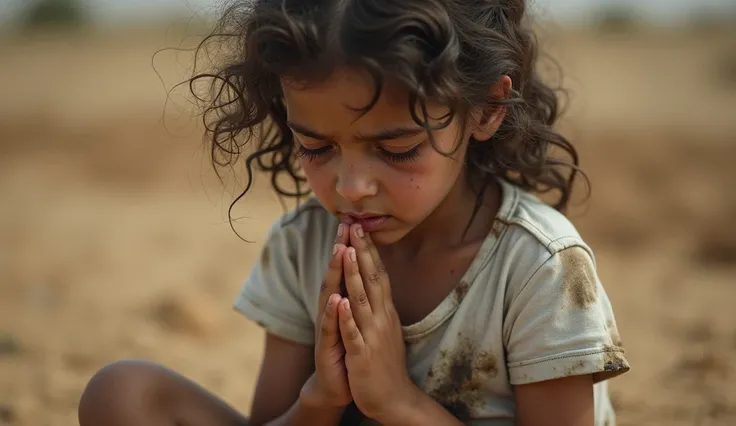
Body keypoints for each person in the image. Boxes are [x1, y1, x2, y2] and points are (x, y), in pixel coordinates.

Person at [78, 0, 631, 425]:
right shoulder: (304, 244)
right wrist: (319, 401)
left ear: (484, 109)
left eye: (396, 150)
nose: (352, 186)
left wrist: (398, 403)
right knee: (123, 393)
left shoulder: (540, 267)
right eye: (316, 148)